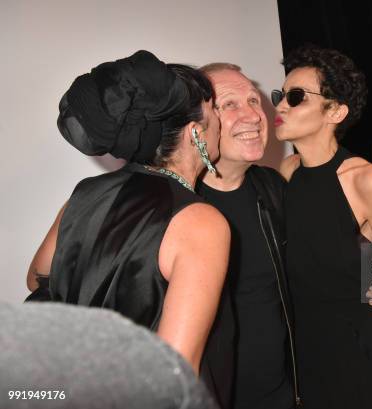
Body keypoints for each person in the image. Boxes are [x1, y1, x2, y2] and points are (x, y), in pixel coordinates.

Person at [25, 51, 230, 381]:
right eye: (214, 110)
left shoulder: (86, 193)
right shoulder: (200, 221)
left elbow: (37, 277)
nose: (220, 120)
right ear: (195, 133)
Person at [274, 45, 372, 409]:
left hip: (361, 351)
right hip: (308, 353)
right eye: (281, 96)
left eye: (295, 97)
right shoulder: (286, 174)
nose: (279, 106)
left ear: (335, 111)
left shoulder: (368, 180)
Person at [197, 63, 297, 409]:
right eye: (229, 104)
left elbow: (321, 256)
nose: (253, 115)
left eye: (254, 101)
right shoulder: (174, 203)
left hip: (281, 393)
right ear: (199, 123)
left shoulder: (272, 188)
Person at [0, 301, 219, 409]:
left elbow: (35, 276)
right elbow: (173, 380)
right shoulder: (198, 221)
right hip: (131, 378)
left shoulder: (71, 210)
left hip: (68, 370)